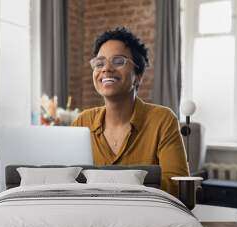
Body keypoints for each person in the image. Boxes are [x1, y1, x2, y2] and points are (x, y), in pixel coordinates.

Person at [72, 27, 189, 197]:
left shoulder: (162, 120)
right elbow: (69, 181)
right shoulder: (83, 122)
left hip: (145, 216)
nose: (106, 69)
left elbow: (176, 185)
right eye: (100, 63)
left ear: (138, 75)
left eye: (118, 61)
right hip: (92, 215)